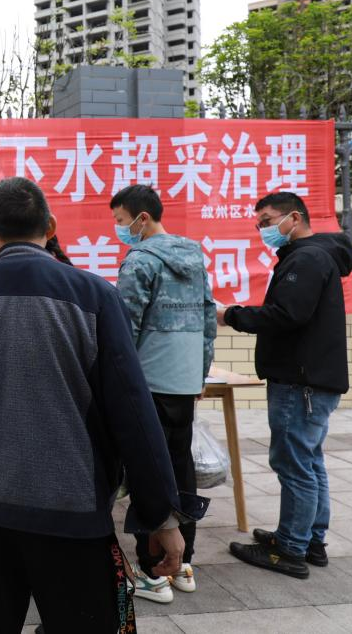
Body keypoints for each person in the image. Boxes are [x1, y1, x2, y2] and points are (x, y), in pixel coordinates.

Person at [0, 178, 203, 633]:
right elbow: (133, 416)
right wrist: (160, 516)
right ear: (50, 227)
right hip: (73, 514)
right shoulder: (95, 297)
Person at [218, 192, 352, 579]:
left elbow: (288, 314)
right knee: (309, 461)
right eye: (258, 222)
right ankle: (309, 540)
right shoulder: (313, 255)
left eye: (267, 220)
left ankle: (290, 550)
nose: (261, 228)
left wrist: (231, 315)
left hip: (301, 381)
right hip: (310, 378)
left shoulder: (307, 257)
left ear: (294, 217)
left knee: (294, 462)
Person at [111, 183, 217, 602]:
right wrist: (200, 373)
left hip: (148, 382)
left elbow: (125, 330)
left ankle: (153, 571)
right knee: (179, 468)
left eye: (121, 221)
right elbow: (209, 318)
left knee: (146, 472)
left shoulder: (139, 261)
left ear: (142, 218)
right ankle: (184, 562)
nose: (119, 229)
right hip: (185, 379)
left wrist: (118, 384)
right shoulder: (194, 255)